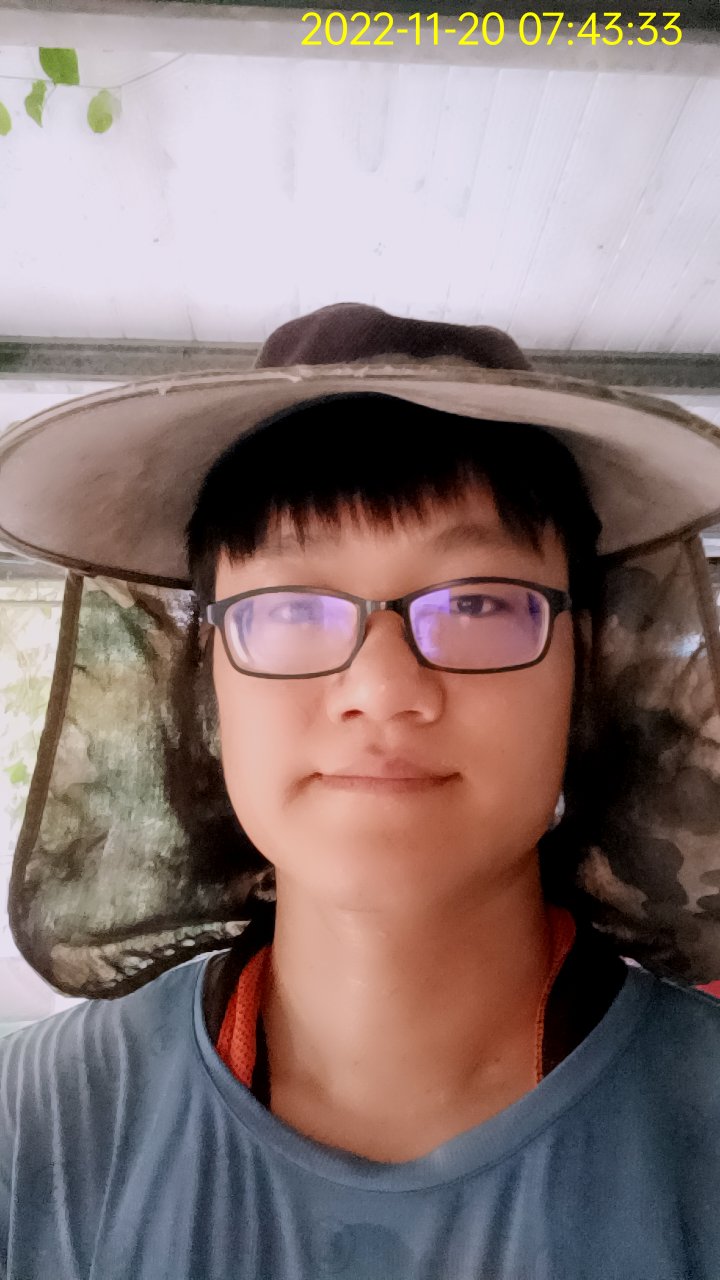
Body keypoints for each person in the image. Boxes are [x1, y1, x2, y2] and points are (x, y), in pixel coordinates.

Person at [2, 302, 720, 1279]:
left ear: (582, 665)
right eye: (292, 607)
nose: (382, 687)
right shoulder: (32, 1133)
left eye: (476, 601)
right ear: (209, 675)